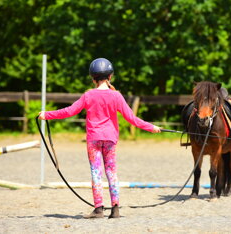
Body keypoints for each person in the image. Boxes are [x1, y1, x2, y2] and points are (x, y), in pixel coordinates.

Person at [38, 58, 161, 219]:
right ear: (110, 77)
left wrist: (47, 115)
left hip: (93, 140)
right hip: (110, 140)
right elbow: (132, 118)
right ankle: (115, 208)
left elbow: (69, 111)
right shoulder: (116, 96)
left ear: (92, 78)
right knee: (111, 172)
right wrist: (151, 127)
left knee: (96, 173)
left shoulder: (88, 95)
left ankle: (98, 209)